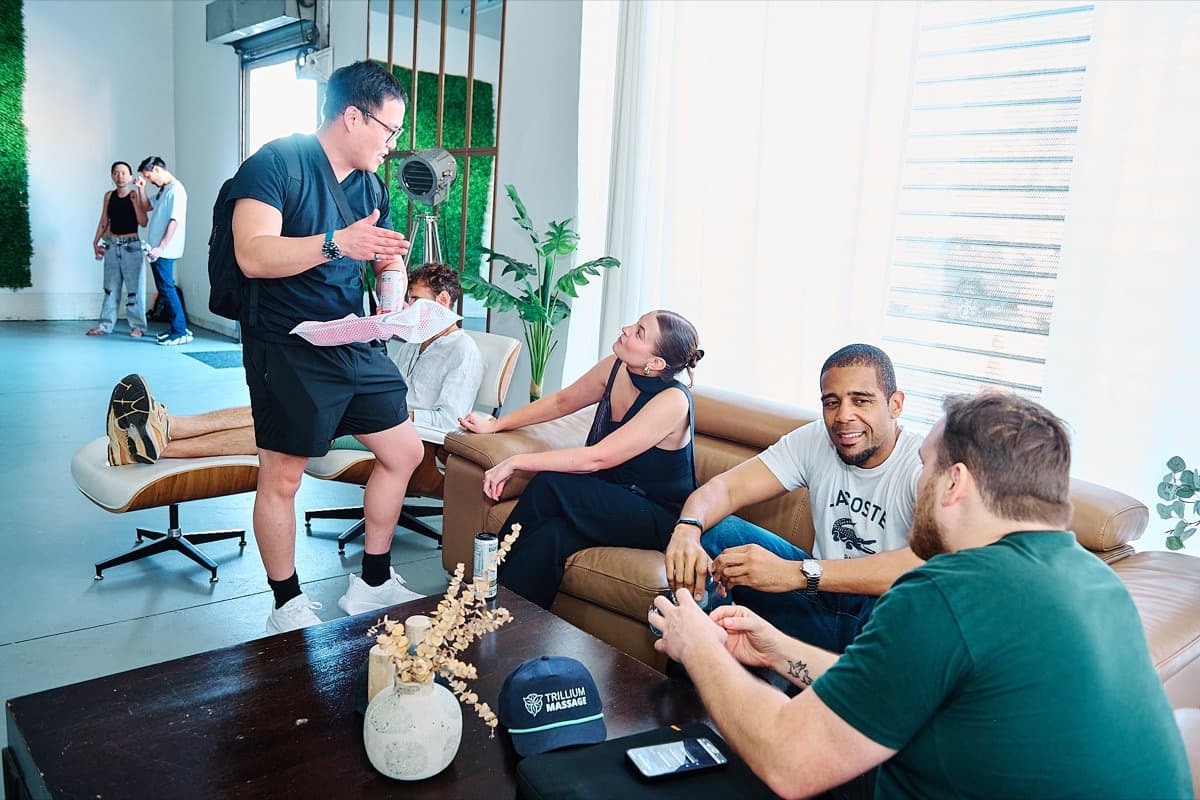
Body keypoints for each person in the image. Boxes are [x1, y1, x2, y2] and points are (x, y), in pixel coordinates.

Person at [650, 392, 1193, 799]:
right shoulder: (1098, 583)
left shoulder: (946, 593)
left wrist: (697, 641)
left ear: (955, 483)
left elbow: (789, 760)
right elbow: (892, 699)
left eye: (926, 468)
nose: (919, 483)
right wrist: (775, 650)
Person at [227, 60, 423, 635]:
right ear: (353, 116)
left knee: (403, 451)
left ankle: (375, 581)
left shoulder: (370, 185)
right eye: (389, 131)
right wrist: (340, 243)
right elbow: (253, 255)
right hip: (285, 342)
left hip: (349, 336)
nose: (393, 144)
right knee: (283, 477)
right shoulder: (274, 164)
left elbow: (378, 259)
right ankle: (286, 602)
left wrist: (391, 270)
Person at [664, 344, 923, 653]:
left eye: (861, 401)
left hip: (881, 616)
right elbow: (726, 488)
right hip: (819, 600)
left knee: (905, 610)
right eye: (832, 402)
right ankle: (705, 666)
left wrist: (795, 574)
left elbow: (921, 564)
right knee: (717, 531)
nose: (843, 416)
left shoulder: (922, 465)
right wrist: (687, 529)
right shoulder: (816, 439)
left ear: (895, 405)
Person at [101, 264, 483, 470]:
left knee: (282, 427)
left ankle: (159, 447)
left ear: (444, 301)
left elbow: (449, 421)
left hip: (401, 432)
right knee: (278, 405)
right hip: (375, 412)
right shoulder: (414, 339)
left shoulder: (462, 351)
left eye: (415, 299)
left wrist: (388, 412)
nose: (406, 307)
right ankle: (170, 427)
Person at [460, 310, 703, 609]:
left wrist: (518, 461)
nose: (626, 328)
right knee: (552, 537)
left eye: (639, 332)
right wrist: (496, 424)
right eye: (633, 322)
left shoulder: (673, 401)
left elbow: (597, 459)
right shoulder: (617, 368)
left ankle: (482, 592)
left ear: (655, 363)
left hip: (658, 515)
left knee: (550, 484)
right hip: (613, 496)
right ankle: (506, 621)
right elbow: (563, 401)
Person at [133, 156, 191, 346]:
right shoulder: (164, 190)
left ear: (157, 169)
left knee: (167, 288)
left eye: (149, 177)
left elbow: (174, 221)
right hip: (156, 250)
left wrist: (161, 247)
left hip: (163, 250)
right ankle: (178, 328)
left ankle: (180, 331)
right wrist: (141, 188)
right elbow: (145, 206)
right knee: (165, 288)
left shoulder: (177, 190)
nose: (150, 181)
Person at [87, 161, 149, 338]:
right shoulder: (109, 196)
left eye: (123, 173)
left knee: (134, 290)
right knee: (110, 288)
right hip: (112, 246)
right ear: (112, 176)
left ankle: (138, 326)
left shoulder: (135, 195)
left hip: (132, 246)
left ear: (130, 177)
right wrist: (95, 242)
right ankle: (105, 325)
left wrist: (136, 200)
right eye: (116, 172)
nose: (119, 176)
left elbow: (143, 221)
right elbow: (104, 220)